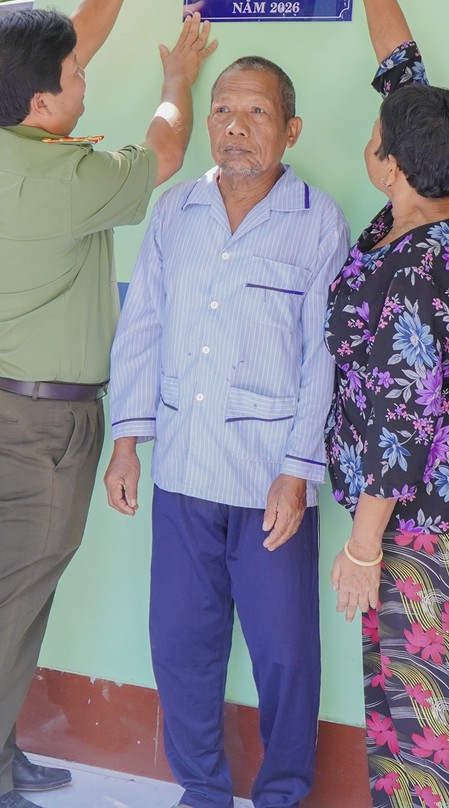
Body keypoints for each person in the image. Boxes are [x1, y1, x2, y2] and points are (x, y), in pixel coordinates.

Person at [0, 0, 217, 808]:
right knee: (6, 605)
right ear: (46, 105)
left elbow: (72, 43)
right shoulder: (64, 182)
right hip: (39, 427)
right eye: (77, 77)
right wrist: (178, 82)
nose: (87, 75)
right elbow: (165, 154)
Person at [104, 55, 350, 808]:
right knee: (182, 649)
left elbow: (325, 357)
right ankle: (202, 793)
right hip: (181, 470)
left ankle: (281, 794)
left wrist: (299, 470)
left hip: (269, 478)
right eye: (221, 112)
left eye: (257, 114)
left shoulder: (318, 220)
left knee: (283, 656)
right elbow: (141, 327)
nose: (236, 130)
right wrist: (126, 442)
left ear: (291, 129)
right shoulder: (176, 213)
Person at [327, 0, 449, 808]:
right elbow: (404, 70)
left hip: (406, 516)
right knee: (413, 697)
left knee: (423, 703)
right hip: (427, 506)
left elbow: (400, 418)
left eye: (381, 134)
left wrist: (361, 545)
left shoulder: (418, 270)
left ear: (389, 160)